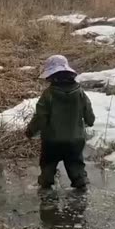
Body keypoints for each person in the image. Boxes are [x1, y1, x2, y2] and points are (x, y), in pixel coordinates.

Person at [25, 55, 95, 190]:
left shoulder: (49, 94)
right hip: (75, 139)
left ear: (51, 77)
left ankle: (46, 181)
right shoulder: (79, 92)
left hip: (52, 140)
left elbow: (40, 116)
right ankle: (80, 180)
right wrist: (90, 121)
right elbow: (88, 112)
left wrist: (31, 131)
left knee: (48, 163)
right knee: (75, 162)